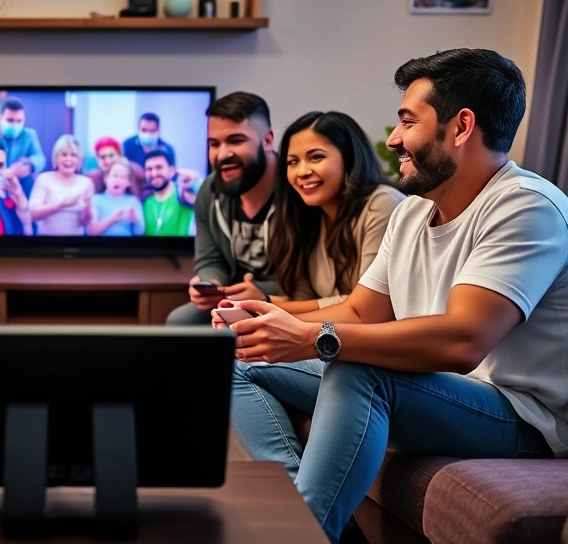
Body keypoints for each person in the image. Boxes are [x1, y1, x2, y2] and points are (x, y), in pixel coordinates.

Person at [215, 48, 567, 543]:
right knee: (236, 355)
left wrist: (313, 337)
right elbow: (361, 310)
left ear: (461, 127)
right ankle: (300, 516)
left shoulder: (525, 207)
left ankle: (297, 534)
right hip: (438, 393)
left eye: (407, 121)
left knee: (360, 365)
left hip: (520, 417)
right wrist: (266, 321)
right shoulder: (412, 212)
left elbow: (462, 342)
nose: (395, 138)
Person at [265, 111, 404, 314]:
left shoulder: (383, 204)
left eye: (316, 157)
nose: (302, 172)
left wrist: (271, 306)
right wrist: (260, 304)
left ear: (349, 158)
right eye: (292, 162)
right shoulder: (308, 217)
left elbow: (370, 306)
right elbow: (305, 302)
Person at [166, 92, 280, 325]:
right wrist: (211, 284)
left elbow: (312, 279)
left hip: (287, 302)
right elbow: (209, 259)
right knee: (179, 323)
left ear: (267, 141)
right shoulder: (210, 189)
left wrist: (261, 293)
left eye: (236, 141)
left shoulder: (298, 189)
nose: (222, 154)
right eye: (214, 144)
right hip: (231, 300)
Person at [28, 134, 94, 236]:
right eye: (64, 154)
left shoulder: (86, 183)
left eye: (73, 155)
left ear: (79, 159)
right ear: (56, 157)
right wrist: (61, 205)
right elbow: (33, 214)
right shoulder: (44, 179)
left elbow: (85, 222)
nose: (68, 159)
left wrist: (87, 208)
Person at [141, 150, 194, 236]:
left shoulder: (184, 193)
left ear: (172, 170)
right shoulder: (144, 199)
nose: (154, 174)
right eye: (149, 169)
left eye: (159, 167)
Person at [87, 159, 145, 236]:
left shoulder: (133, 201)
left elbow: (140, 232)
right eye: (115, 175)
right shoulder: (95, 199)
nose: (118, 180)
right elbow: (91, 232)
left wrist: (134, 220)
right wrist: (112, 219)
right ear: (106, 179)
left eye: (122, 177)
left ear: (128, 183)